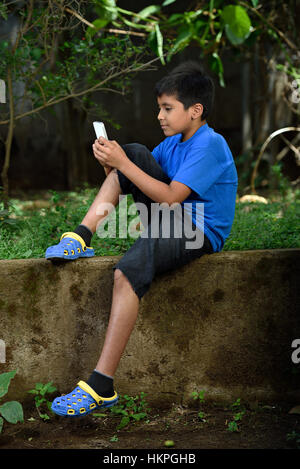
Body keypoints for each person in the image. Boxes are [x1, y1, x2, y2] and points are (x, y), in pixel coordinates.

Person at [48, 61, 238, 418]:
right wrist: (113, 163)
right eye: (159, 108)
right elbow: (137, 177)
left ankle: (101, 384)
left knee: (128, 271)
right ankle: (81, 236)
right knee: (133, 151)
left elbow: (169, 197)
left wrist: (123, 165)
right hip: (169, 220)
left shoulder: (211, 145)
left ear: (195, 110)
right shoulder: (171, 144)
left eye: (168, 109)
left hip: (198, 232)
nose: (160, 116)